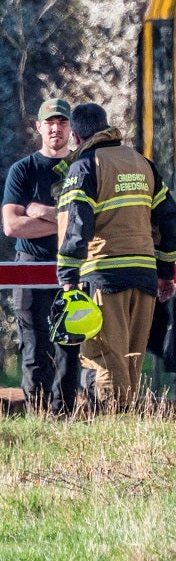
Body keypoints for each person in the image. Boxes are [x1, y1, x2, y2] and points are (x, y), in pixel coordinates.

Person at [55, 102, 176, 413]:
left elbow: (76, 224)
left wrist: (68, 278)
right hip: (145, 276)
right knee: (131, 359)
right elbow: (169, 218)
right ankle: (126, 428)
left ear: (77, 135)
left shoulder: (85, 166)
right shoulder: (141, 163)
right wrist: (165, 271)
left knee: (104, 357)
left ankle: (111, 428)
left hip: (104, 275)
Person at [2, 98, 82, 414]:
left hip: (72, 269)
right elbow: (12, 226)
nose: (55, 128)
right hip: (30, 269)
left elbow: (92, 222)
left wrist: (45, 212)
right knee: (35, 349)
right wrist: (67, 219)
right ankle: (38, 416)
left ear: (71, 128)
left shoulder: (82, 167)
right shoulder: (23, 170)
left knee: (70, 348)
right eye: (49, 122)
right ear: (39, 126)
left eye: (62, 122)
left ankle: (64, 417)